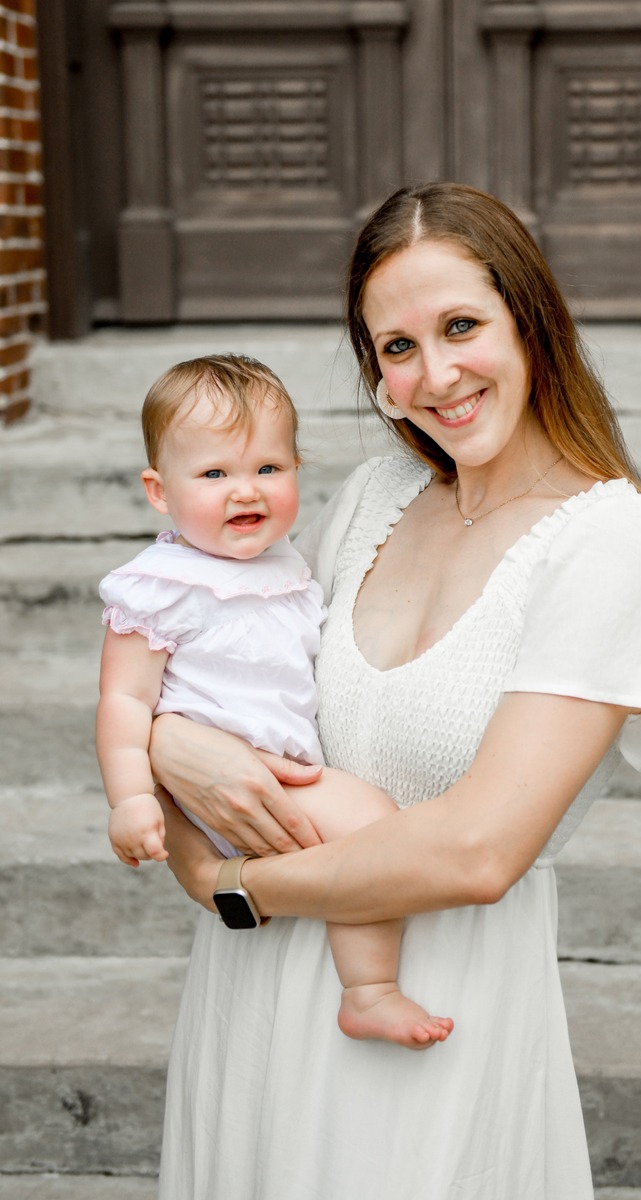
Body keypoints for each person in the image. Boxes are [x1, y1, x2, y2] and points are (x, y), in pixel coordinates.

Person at [144, 182, 641, 1198]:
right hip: (250, 998)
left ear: (531, 320)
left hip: (438, 1004)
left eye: (461, 326)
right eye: (396, 348)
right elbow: (217, 684)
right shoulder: (368, 497)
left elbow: (479, 850)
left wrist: (229, 887)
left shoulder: (615, 541)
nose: (435, 375)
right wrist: (165, 746)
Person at [97, 355, 452, 1050]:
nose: (244, 491)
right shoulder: (158, 586)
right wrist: (132, 799)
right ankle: (369, 989)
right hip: (223, 789)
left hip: (269, 773)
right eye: (213, 474)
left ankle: (359, 981)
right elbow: (122, 701)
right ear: (159, 491)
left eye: (268, 468)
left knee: (364, 828)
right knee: (373, 824)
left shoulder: (285, 563)